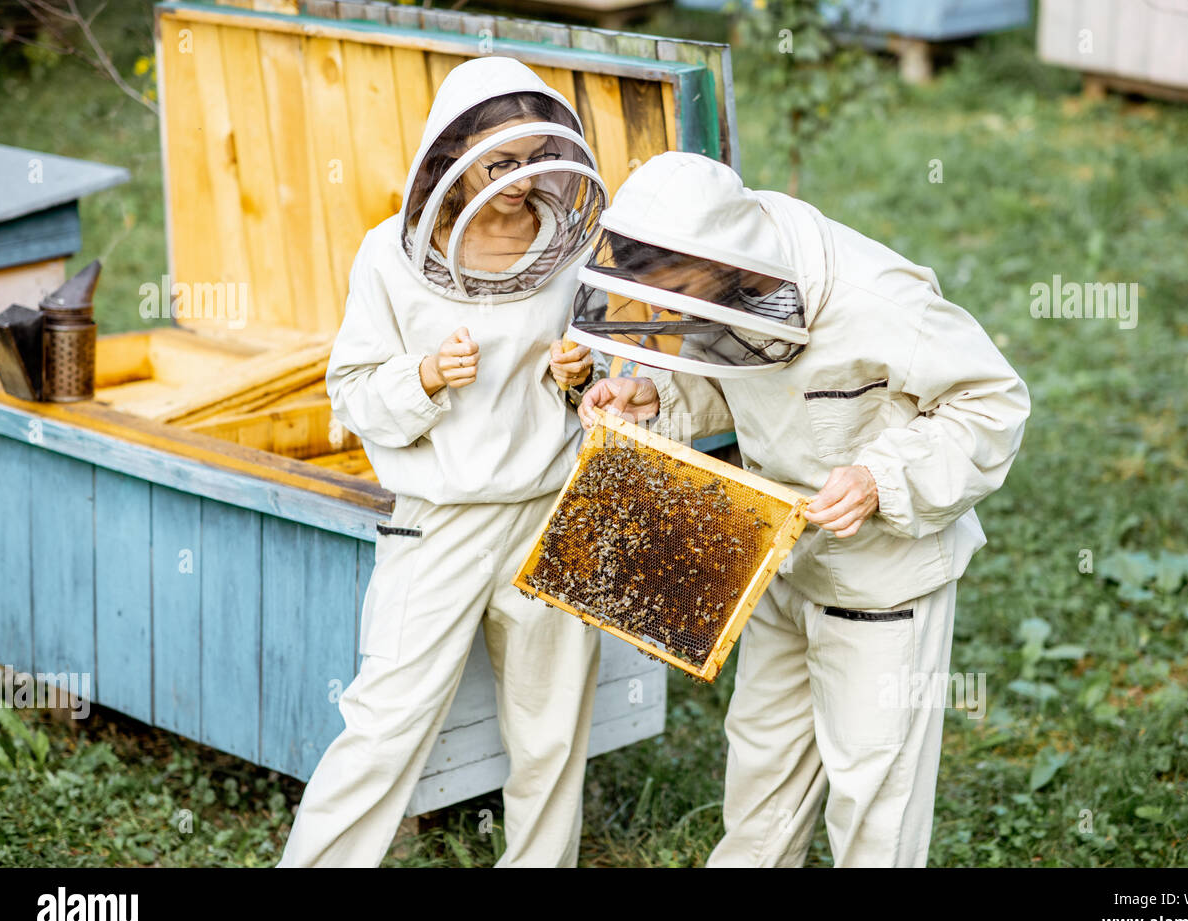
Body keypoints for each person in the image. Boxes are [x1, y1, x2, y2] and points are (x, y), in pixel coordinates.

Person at [571, 151, 1031, 867]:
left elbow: (994, 402)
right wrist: (657, 397)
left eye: (678, 292)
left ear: (728, 260)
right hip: (779, 560)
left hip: (881, 583)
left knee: (872, 795)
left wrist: (882, 477)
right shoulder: (728, 277)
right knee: (761, 770)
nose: (668, 314)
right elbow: (739, 371)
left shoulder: (877, 298)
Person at [277, 56, 608, 868]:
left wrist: (581, 378)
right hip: (440, 521)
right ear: (451, 154)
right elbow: (350, 391)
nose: (521, 180)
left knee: (551, 727)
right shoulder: (387, 258)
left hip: (548, 511)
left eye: (537, 159)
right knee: (384, 722)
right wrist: (423, 376)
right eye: (500, 162)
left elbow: (609, 381)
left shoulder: (568, 249)